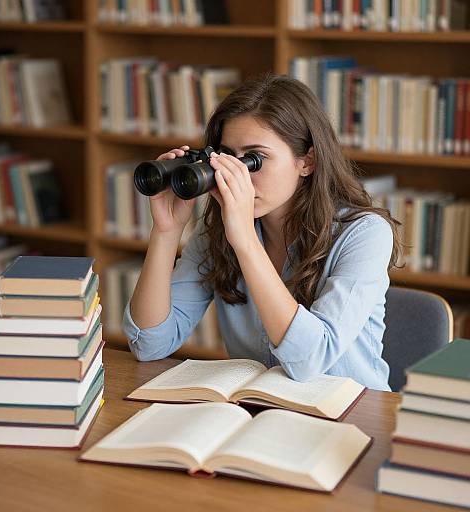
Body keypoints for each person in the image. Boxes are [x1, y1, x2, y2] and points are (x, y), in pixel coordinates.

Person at [123, 72, 400, 391]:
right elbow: (149, 344)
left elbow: (310, 360)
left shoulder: (365, 234)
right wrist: (166, 231)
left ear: (307, 161)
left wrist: (244, 240)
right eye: (227, 157)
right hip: (260, 409)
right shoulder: (217, 231)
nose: (237, 175)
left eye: (254, 160)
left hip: (348, 415)